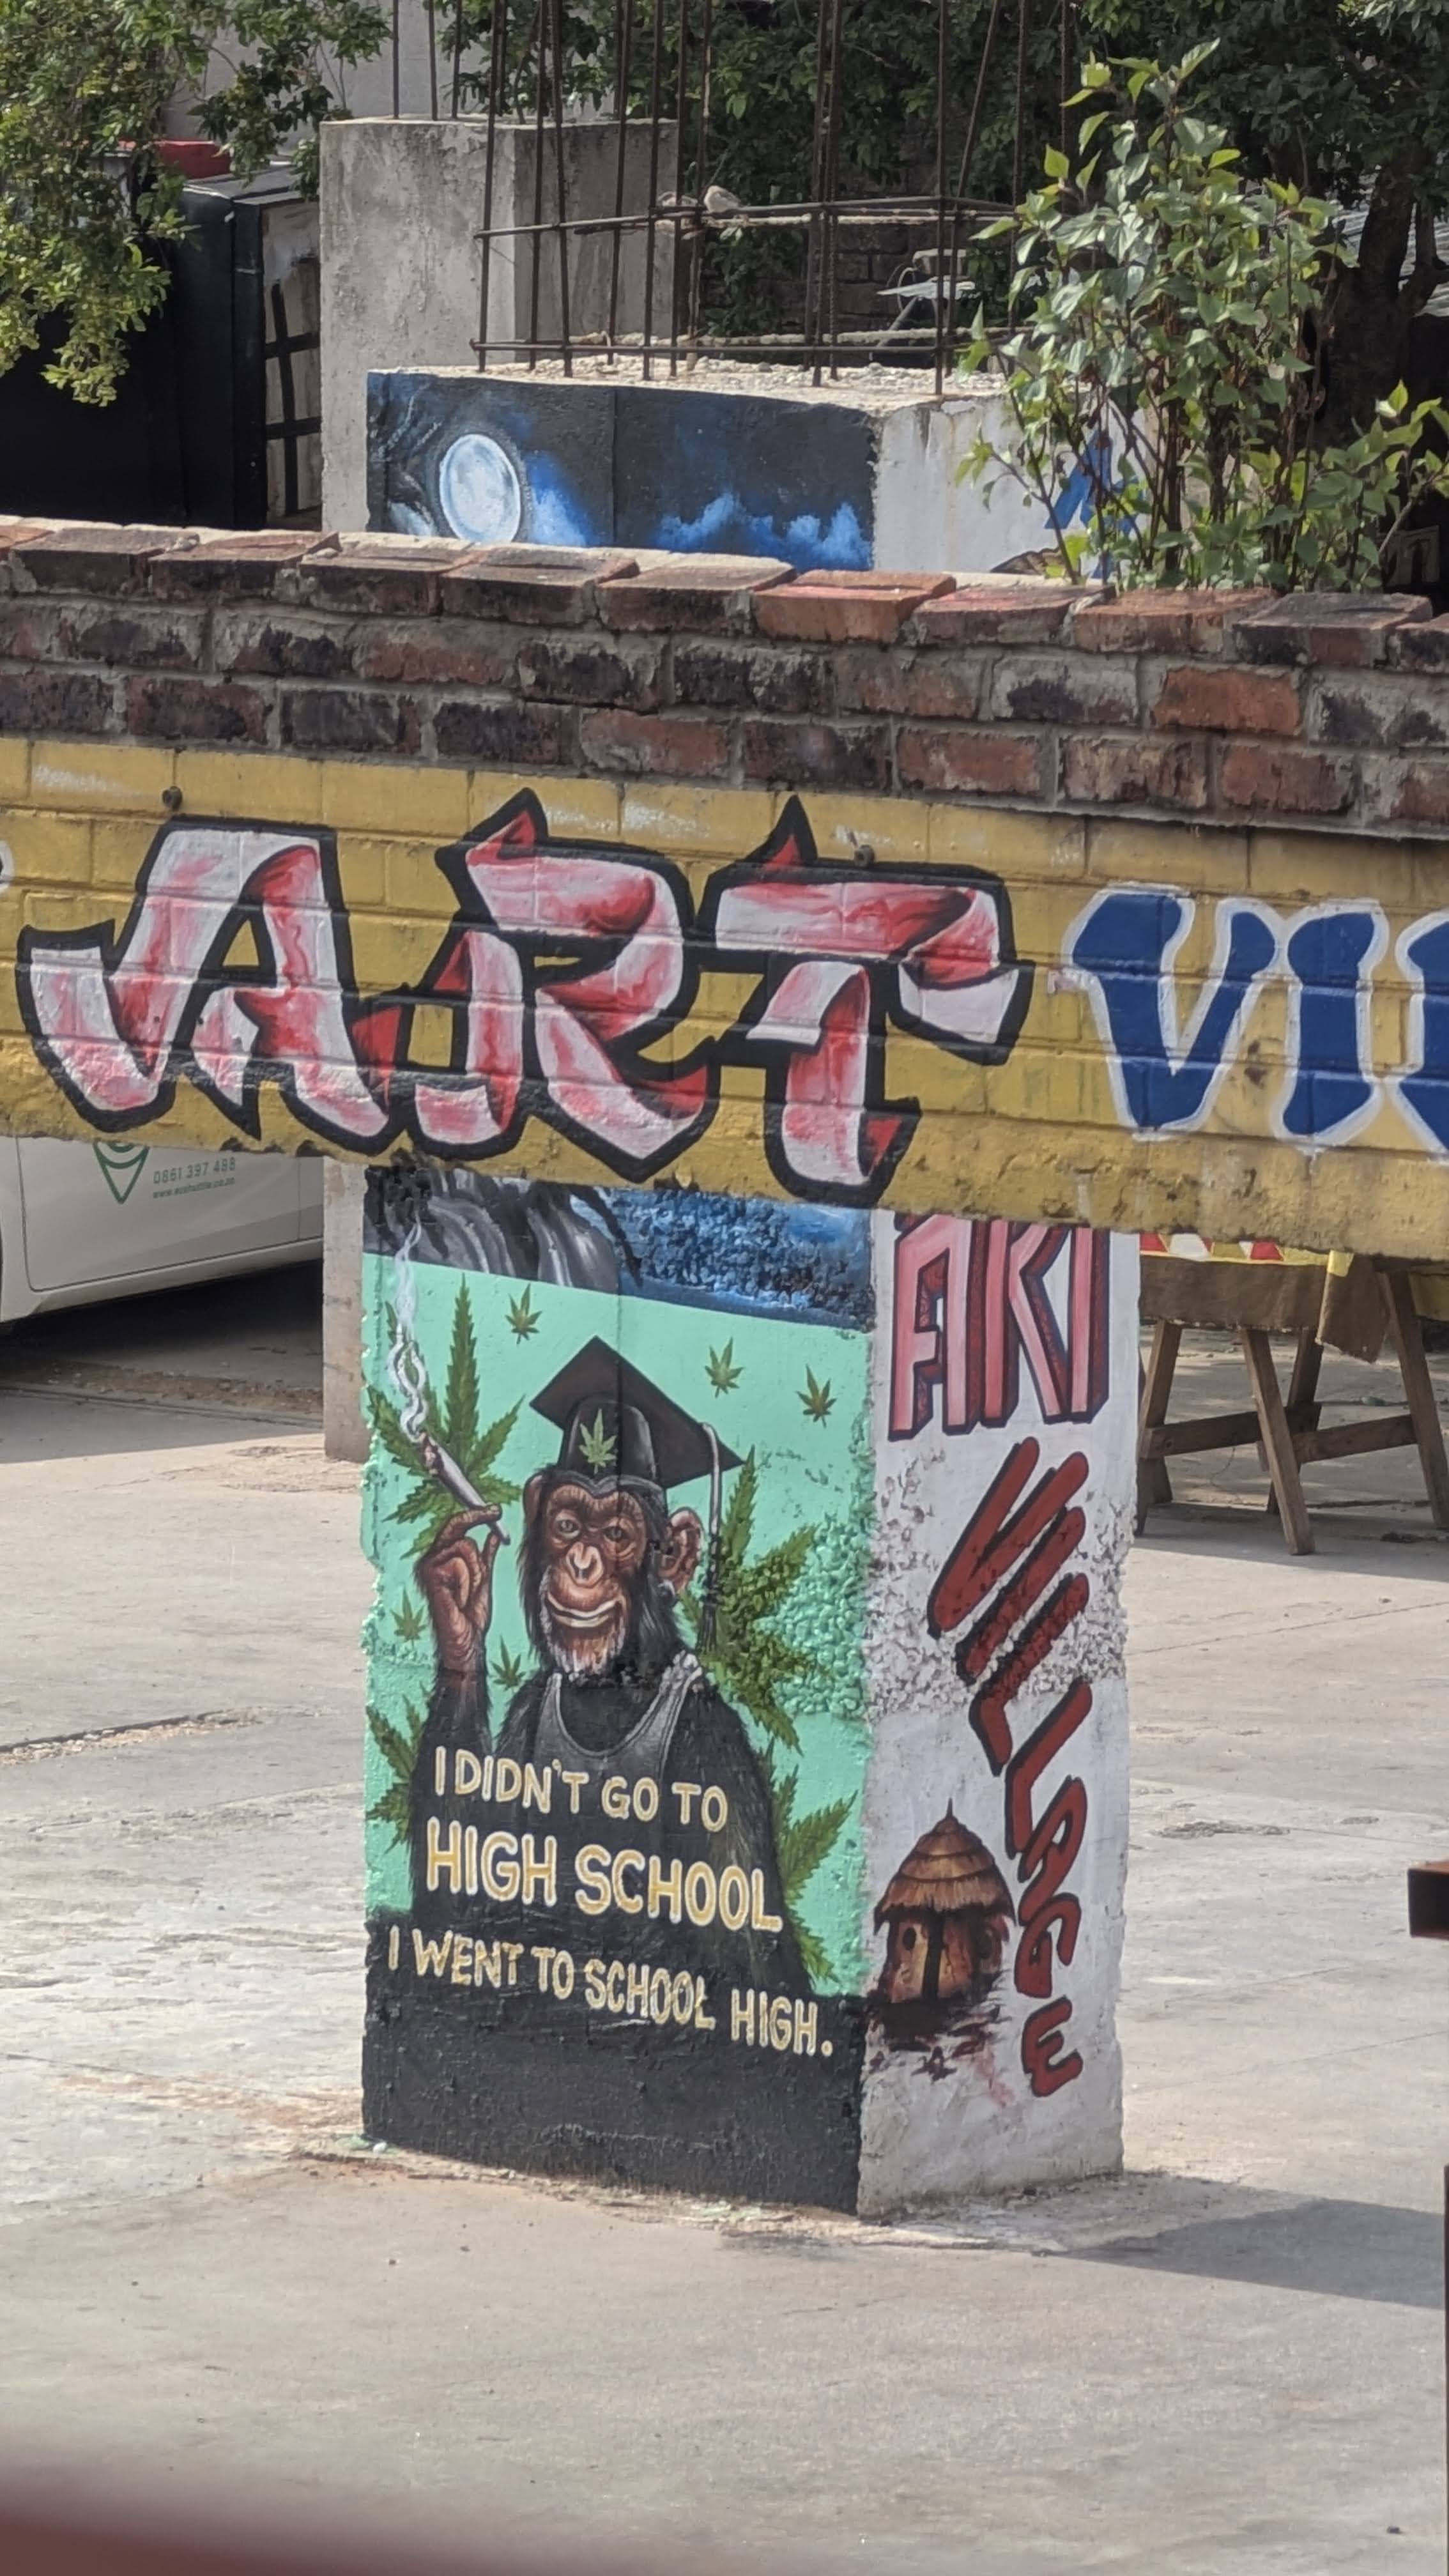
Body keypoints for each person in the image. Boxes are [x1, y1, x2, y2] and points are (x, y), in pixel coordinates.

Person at [409, 1337, 806, 1993]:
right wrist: (460, 1673)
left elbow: (752, 1981)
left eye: (615, 1534)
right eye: (568, 1527)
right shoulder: (538, 1709)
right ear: (537, 1519)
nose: (583, 1561)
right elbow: (457, 1905)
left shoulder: (699, 1733)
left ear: (672, 1557)